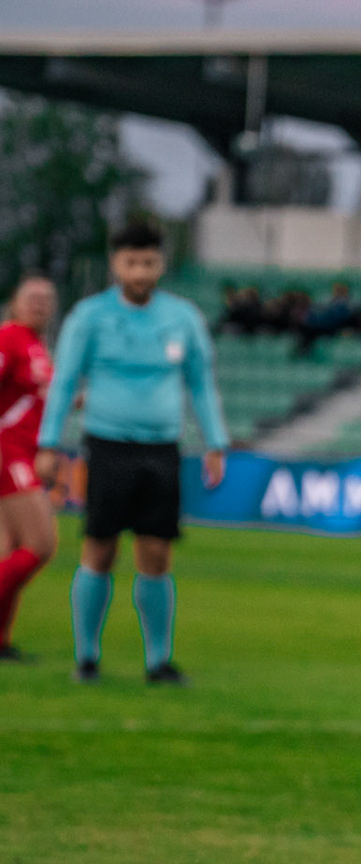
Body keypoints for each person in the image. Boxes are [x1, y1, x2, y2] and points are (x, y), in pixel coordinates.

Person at [35, 220, 228, 684]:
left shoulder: (183, 317)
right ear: (115, 264)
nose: (140, 272)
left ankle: (158, 661)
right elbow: (64, 383)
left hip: (162, 449)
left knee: (157, 553)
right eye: (131, 262)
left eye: (149, 262)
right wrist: (48, 443)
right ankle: (86, 657)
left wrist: (215, 442)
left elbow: (200, 383)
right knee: (99, 549)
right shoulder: (89, 317)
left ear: (161, 264)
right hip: (107, 445)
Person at [0, 276, 59, 662]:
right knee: (40, 544)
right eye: (32, 297)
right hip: (8, 452)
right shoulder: (9, 338)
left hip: (21, 450)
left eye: (47, 299)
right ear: (15, 302)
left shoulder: (36, 346)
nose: (39, 304)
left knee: (8, 551)